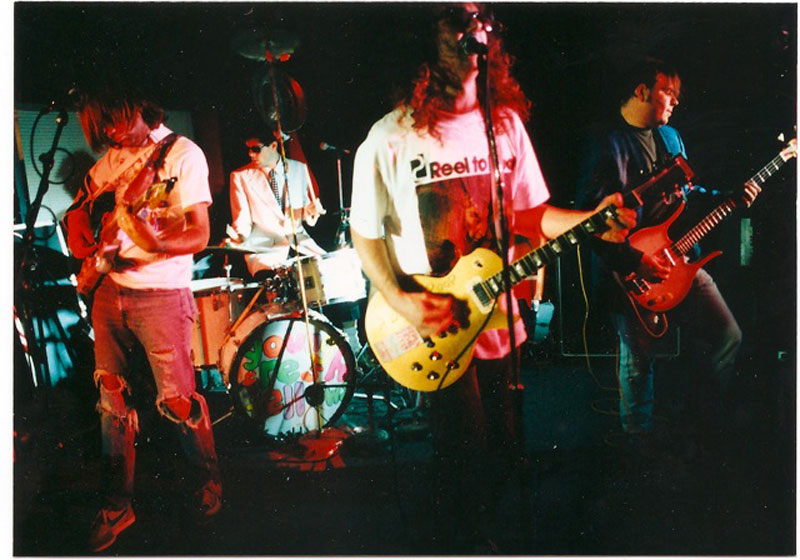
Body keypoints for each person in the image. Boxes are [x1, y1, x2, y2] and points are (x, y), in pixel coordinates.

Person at [349, 3, 635, 551]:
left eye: (480, 15)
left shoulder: (503, 126)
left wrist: (593, 221)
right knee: (465, 450)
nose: (474, 25)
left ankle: (474, 536)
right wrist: (403, 301)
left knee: (505, 447)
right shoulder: (390, 136)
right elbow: (365, 234)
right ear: (427, 37)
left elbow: (531, 216)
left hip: (498, 315)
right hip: (434, 320)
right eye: (457, 16)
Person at [64, 82, 222, 551]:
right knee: (111, 400)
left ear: (137, 105)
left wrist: (156, 243)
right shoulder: (111, 159)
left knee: (177, 401)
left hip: (161, 292)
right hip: (108, 290)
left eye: (116, 121)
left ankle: (207, 483)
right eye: (103, 128)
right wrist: (79, 229)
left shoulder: (182, 155)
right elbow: (80, 208)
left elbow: (199, 234)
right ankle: (117, 506)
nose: (112, 134)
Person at [574, 57, 760, 443]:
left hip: (679, 262)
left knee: (729, 335)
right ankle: (636, 445)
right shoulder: (605, 144)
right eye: (668, 92)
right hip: (630, 273)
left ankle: (706, 425)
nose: (675, 101)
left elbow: (688, 196)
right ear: (642, 90)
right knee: (638, 364)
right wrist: (634, 261)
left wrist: (728, 197)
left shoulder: (671, 138)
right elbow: (588, 224)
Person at [228, 129, 325, 280]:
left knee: (329, 270)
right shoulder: (240, 176)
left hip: (300, 244)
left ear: (273, 146)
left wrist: (311, 212)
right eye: (249, 150)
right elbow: (242, 220)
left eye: (256, 149)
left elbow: (305, 213)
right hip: (266, 250)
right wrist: (238, 238)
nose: (251, 154)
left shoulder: (299, 168)